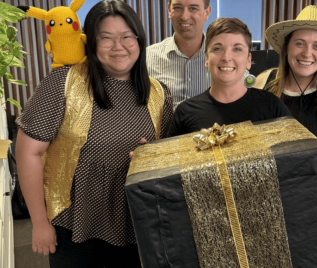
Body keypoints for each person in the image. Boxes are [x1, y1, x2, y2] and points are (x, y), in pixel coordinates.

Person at [15, 1, 173, 267]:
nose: (118, 46)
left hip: (138, 225)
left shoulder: (159, 93)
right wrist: (39, 222)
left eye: (126, 37)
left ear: (139, 40)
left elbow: (166, 158)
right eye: (106, 38)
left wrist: (149, 154)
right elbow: (28, 151)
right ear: (91, 42)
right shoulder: (64, 82)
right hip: (75, 226)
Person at [257, 5, 317, 220]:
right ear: (287, 47)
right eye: (299, 43)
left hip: (307, 210)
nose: (306, 53)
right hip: (262, 205)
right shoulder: (264, 83)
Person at [169, 17, 291, 136]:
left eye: (237, 49)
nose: (226, 57)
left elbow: (297, 153)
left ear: (249, 60)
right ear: (206, 59)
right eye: (217, 48)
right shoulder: (185, 112)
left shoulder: (272, 106)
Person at [147, 0, 212, 108]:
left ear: (207, 12)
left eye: (193, 8)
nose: (184, 16)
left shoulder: (224, 60)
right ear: (169, 9)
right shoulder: (147, 58)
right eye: (177, 8)